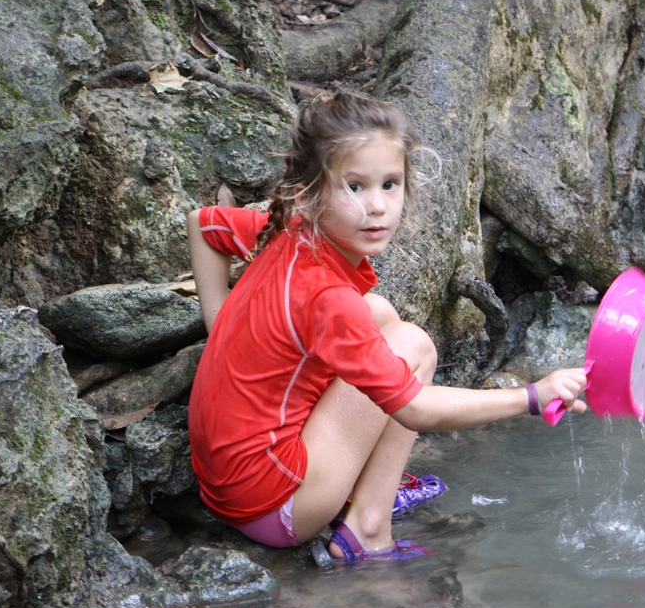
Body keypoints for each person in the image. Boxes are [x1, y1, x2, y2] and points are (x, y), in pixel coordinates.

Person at [187, 91, 586, 563]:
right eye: (354, 187)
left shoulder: (288, 232)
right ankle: (368, 530)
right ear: (310, 193)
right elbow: (415, 410)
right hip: (274, 508)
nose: (376, 206)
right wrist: (531, 398)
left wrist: (223, 332)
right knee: (413, 346)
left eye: (390, 184)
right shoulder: (327, 297)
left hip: (224, 482)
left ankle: (363, 486)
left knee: (378, 313)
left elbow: (203, 225)